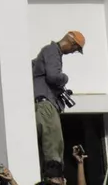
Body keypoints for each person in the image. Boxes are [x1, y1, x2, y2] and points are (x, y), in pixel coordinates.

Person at [31, 30, 83, 165]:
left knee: (48, 148)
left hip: (43, 104)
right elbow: (53, 76)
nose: (73, 52)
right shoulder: (52, 51)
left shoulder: (48, 53)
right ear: (72, 43)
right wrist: (65, 78)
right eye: (76, 49)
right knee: (54, 148)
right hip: (47, 105)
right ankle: (55, 178)